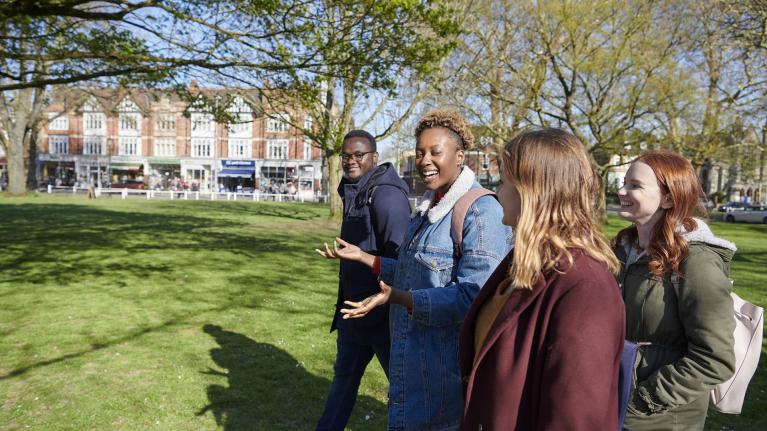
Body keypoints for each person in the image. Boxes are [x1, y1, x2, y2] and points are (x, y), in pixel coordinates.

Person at [318, 110, 511, 430]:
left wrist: (400, 297)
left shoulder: (481, 211)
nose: (425, 160)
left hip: (444, 373)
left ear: (460, 156)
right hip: (412, 361)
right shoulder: (429, 206)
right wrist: (367, 258)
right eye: (420, 152)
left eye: (436, 152)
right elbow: (415, 270)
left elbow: (474, 296)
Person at [458, 128, 625, 430]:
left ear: (532, 192)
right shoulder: (523, 263)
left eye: (505, 183)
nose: (498, 193)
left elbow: (576, 418)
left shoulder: (585, 286)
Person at [614, 151, 735, 430]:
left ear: (668, 198)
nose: (622, 190)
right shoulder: (621, 251)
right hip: (613, 400)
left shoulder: (697, 262)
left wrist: (642, 400)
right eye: (624, 182)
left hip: (659, 418)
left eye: (635, 185)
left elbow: (714, 358)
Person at [315, 130, 411, 431]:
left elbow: (401, 263)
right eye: (346, 156)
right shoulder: (355, 190)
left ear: (374, 157)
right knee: (343, 381)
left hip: (382, 316)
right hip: (352, 312)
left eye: (359, 155)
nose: (351, 161)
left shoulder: (387, 195)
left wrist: (380, 299)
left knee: (404, 390)